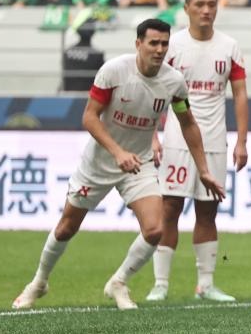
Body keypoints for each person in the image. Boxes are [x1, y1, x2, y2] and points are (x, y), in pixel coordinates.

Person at [12, 19, 224, 310]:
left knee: (155, 229)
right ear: (138, 44)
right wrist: (117, 152)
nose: (160, 49)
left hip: (139, 164)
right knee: (65, 228)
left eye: (164, 44)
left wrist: (203, 170)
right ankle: (38, 283)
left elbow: (188, 122)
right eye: (153, 43)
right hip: (100, 162)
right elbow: (89, 117)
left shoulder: (174, 82)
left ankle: (119, 282)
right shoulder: (114, 71)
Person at [148, 0, 249, 303]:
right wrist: (152, 135)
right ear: (186, 8)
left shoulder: (230, 46)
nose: (206, 10)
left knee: (208, 212)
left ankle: (205, 284)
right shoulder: (172, 46)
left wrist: (242, 141)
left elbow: (241, 95)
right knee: (170, 208)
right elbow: (151, 90)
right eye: (199, 4)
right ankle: (160, 284)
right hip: (177, 138)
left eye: (211, 4)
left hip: (215, 140)